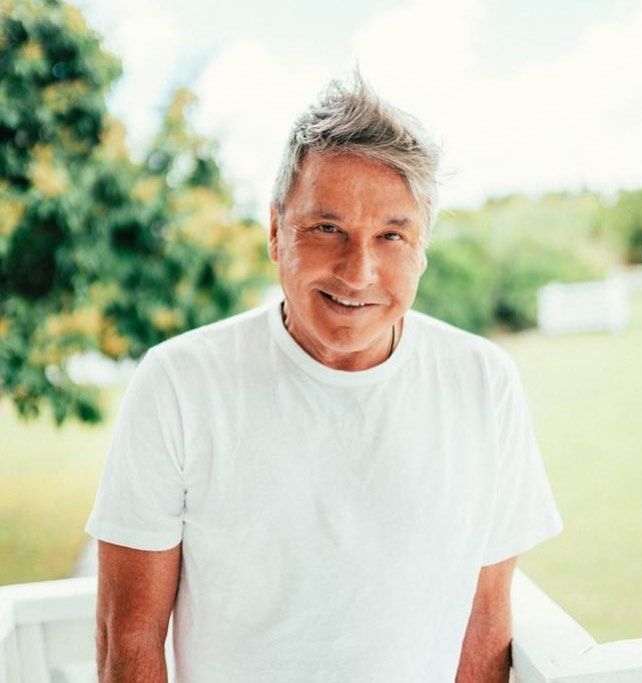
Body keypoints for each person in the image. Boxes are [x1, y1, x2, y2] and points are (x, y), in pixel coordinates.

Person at [86, 75, 563, 682]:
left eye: (391, 236)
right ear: (275, 230)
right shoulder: (177, 384)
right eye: (327, 228)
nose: (358, 272)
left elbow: (486, 621)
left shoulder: (484, 384)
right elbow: (127, 639)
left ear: (421, 248)